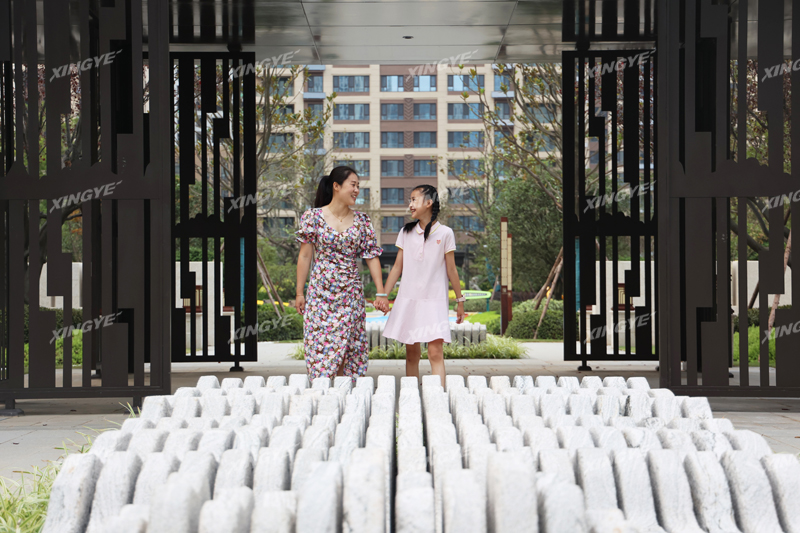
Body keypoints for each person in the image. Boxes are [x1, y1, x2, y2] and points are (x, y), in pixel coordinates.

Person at [295, 166, 386, 380]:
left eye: (358, 186)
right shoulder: (312, 217)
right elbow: (305, 256)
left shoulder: (363, 221)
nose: (356, 190)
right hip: (320, 294)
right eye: (352, 185)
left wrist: (381, 292)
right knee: (320, 345)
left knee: (348, 345)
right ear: (336, 186)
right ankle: (325, 392)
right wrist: (299, 293)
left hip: (350, 294)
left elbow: (371, 256)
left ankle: (345, 392)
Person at [376, 185, 465, 386]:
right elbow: (397, 267)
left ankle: (438, 395)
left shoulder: (445, 233)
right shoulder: (406, 232)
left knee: (435, 352)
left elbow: (452, 270)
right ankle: (412, 395)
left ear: (429, 202)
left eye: (414, 199)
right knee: (412, 354)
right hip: (409, 299)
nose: (410, 204)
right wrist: (383, 295)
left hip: (435, 300)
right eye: (410, 200)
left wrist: (460, 300)